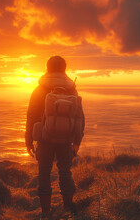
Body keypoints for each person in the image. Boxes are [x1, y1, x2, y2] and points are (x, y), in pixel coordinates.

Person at [25, 56, 85, 217]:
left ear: (47, 68)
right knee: (65, 171)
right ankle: (67, 208)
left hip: (44, 139)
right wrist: (77, 141)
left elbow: (31, 115)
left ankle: (46, 212)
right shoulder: (71, 89)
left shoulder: (40, 89)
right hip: (66, 140)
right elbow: (80, 117)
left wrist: (28, 140)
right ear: (64, 69)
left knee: (43, 173)